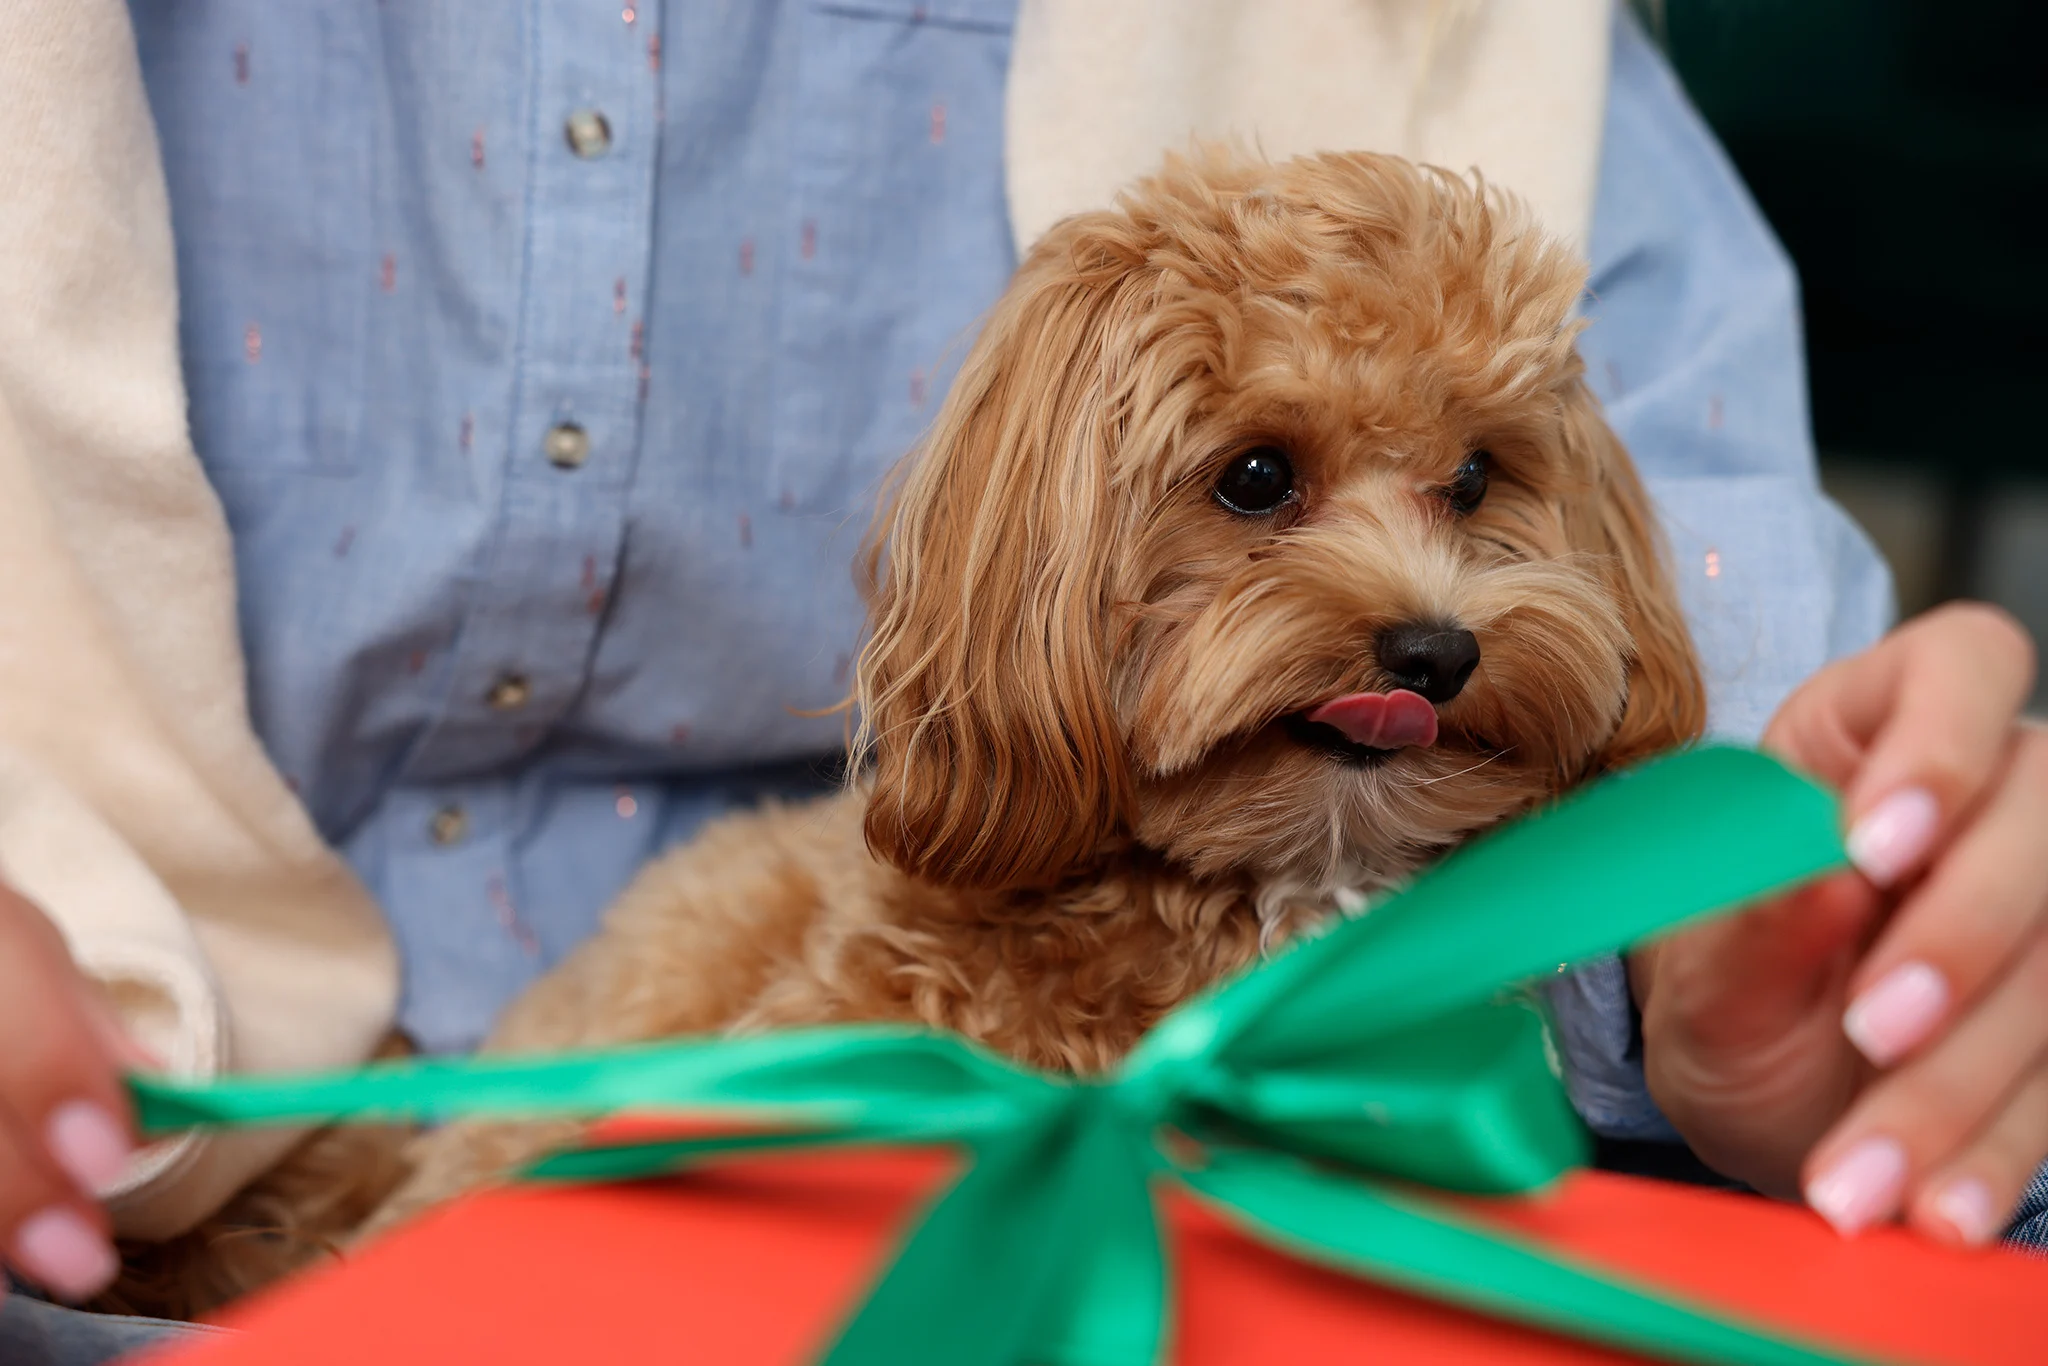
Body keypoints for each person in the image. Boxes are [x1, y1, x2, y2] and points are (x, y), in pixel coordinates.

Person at [0, 1, 2040, 1361]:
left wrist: (1764, 911)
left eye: (1466, 488)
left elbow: (1732, 669)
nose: (1421, 601)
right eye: (1260, 481)